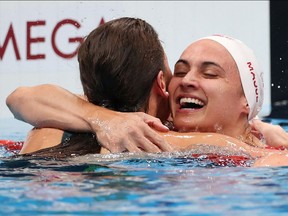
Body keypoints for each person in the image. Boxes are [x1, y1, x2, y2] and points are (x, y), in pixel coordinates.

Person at [6, 22, 288, 165]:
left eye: (210, 73)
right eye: (179, 71)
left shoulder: (50, 127)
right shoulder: (174, 141)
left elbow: (20, 98)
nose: (187, 80)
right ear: (161, 83)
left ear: (246, 102)